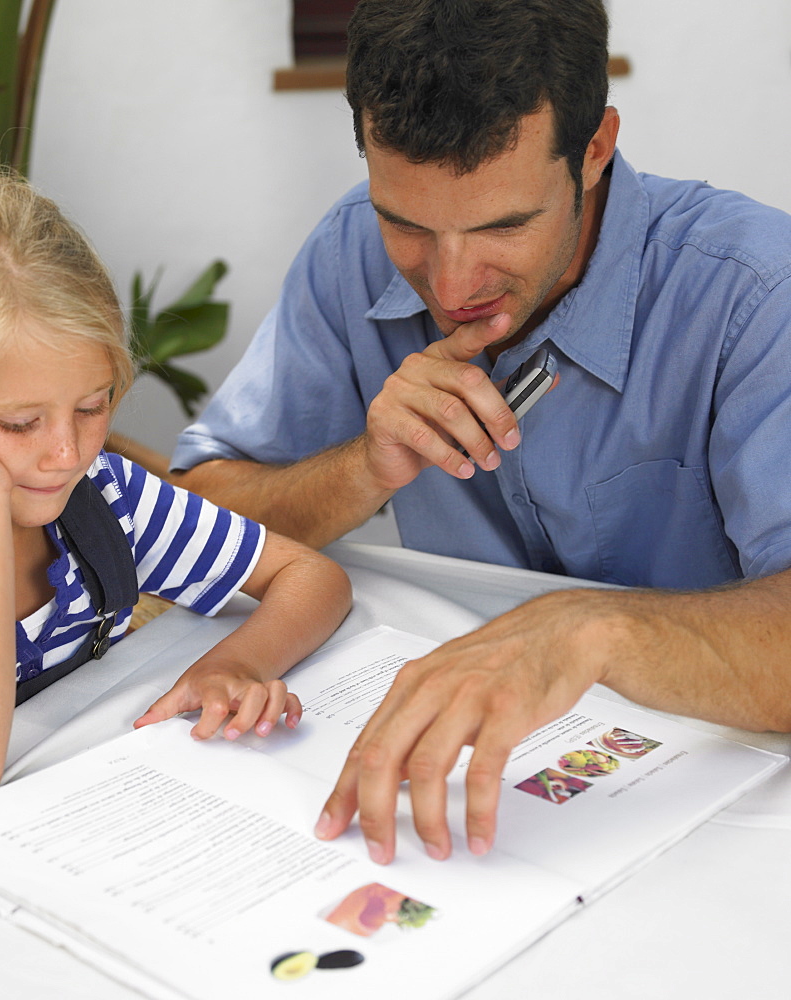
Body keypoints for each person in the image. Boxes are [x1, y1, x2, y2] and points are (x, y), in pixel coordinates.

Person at [169, 0, 791, 863]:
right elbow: (190, 522)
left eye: (504, 225)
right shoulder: (347, 248)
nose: (452, 280)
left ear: (597, 147)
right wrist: (363, 468)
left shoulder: (759, 293)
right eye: (409, 224)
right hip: (457, 801)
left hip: (718, 803)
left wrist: (587, 632)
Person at [0, 171, 351, 812]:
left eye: (92, 406)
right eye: (20, 423)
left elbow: (311, 577)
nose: (66, 453)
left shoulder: (106, 497)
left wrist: (238, 665)